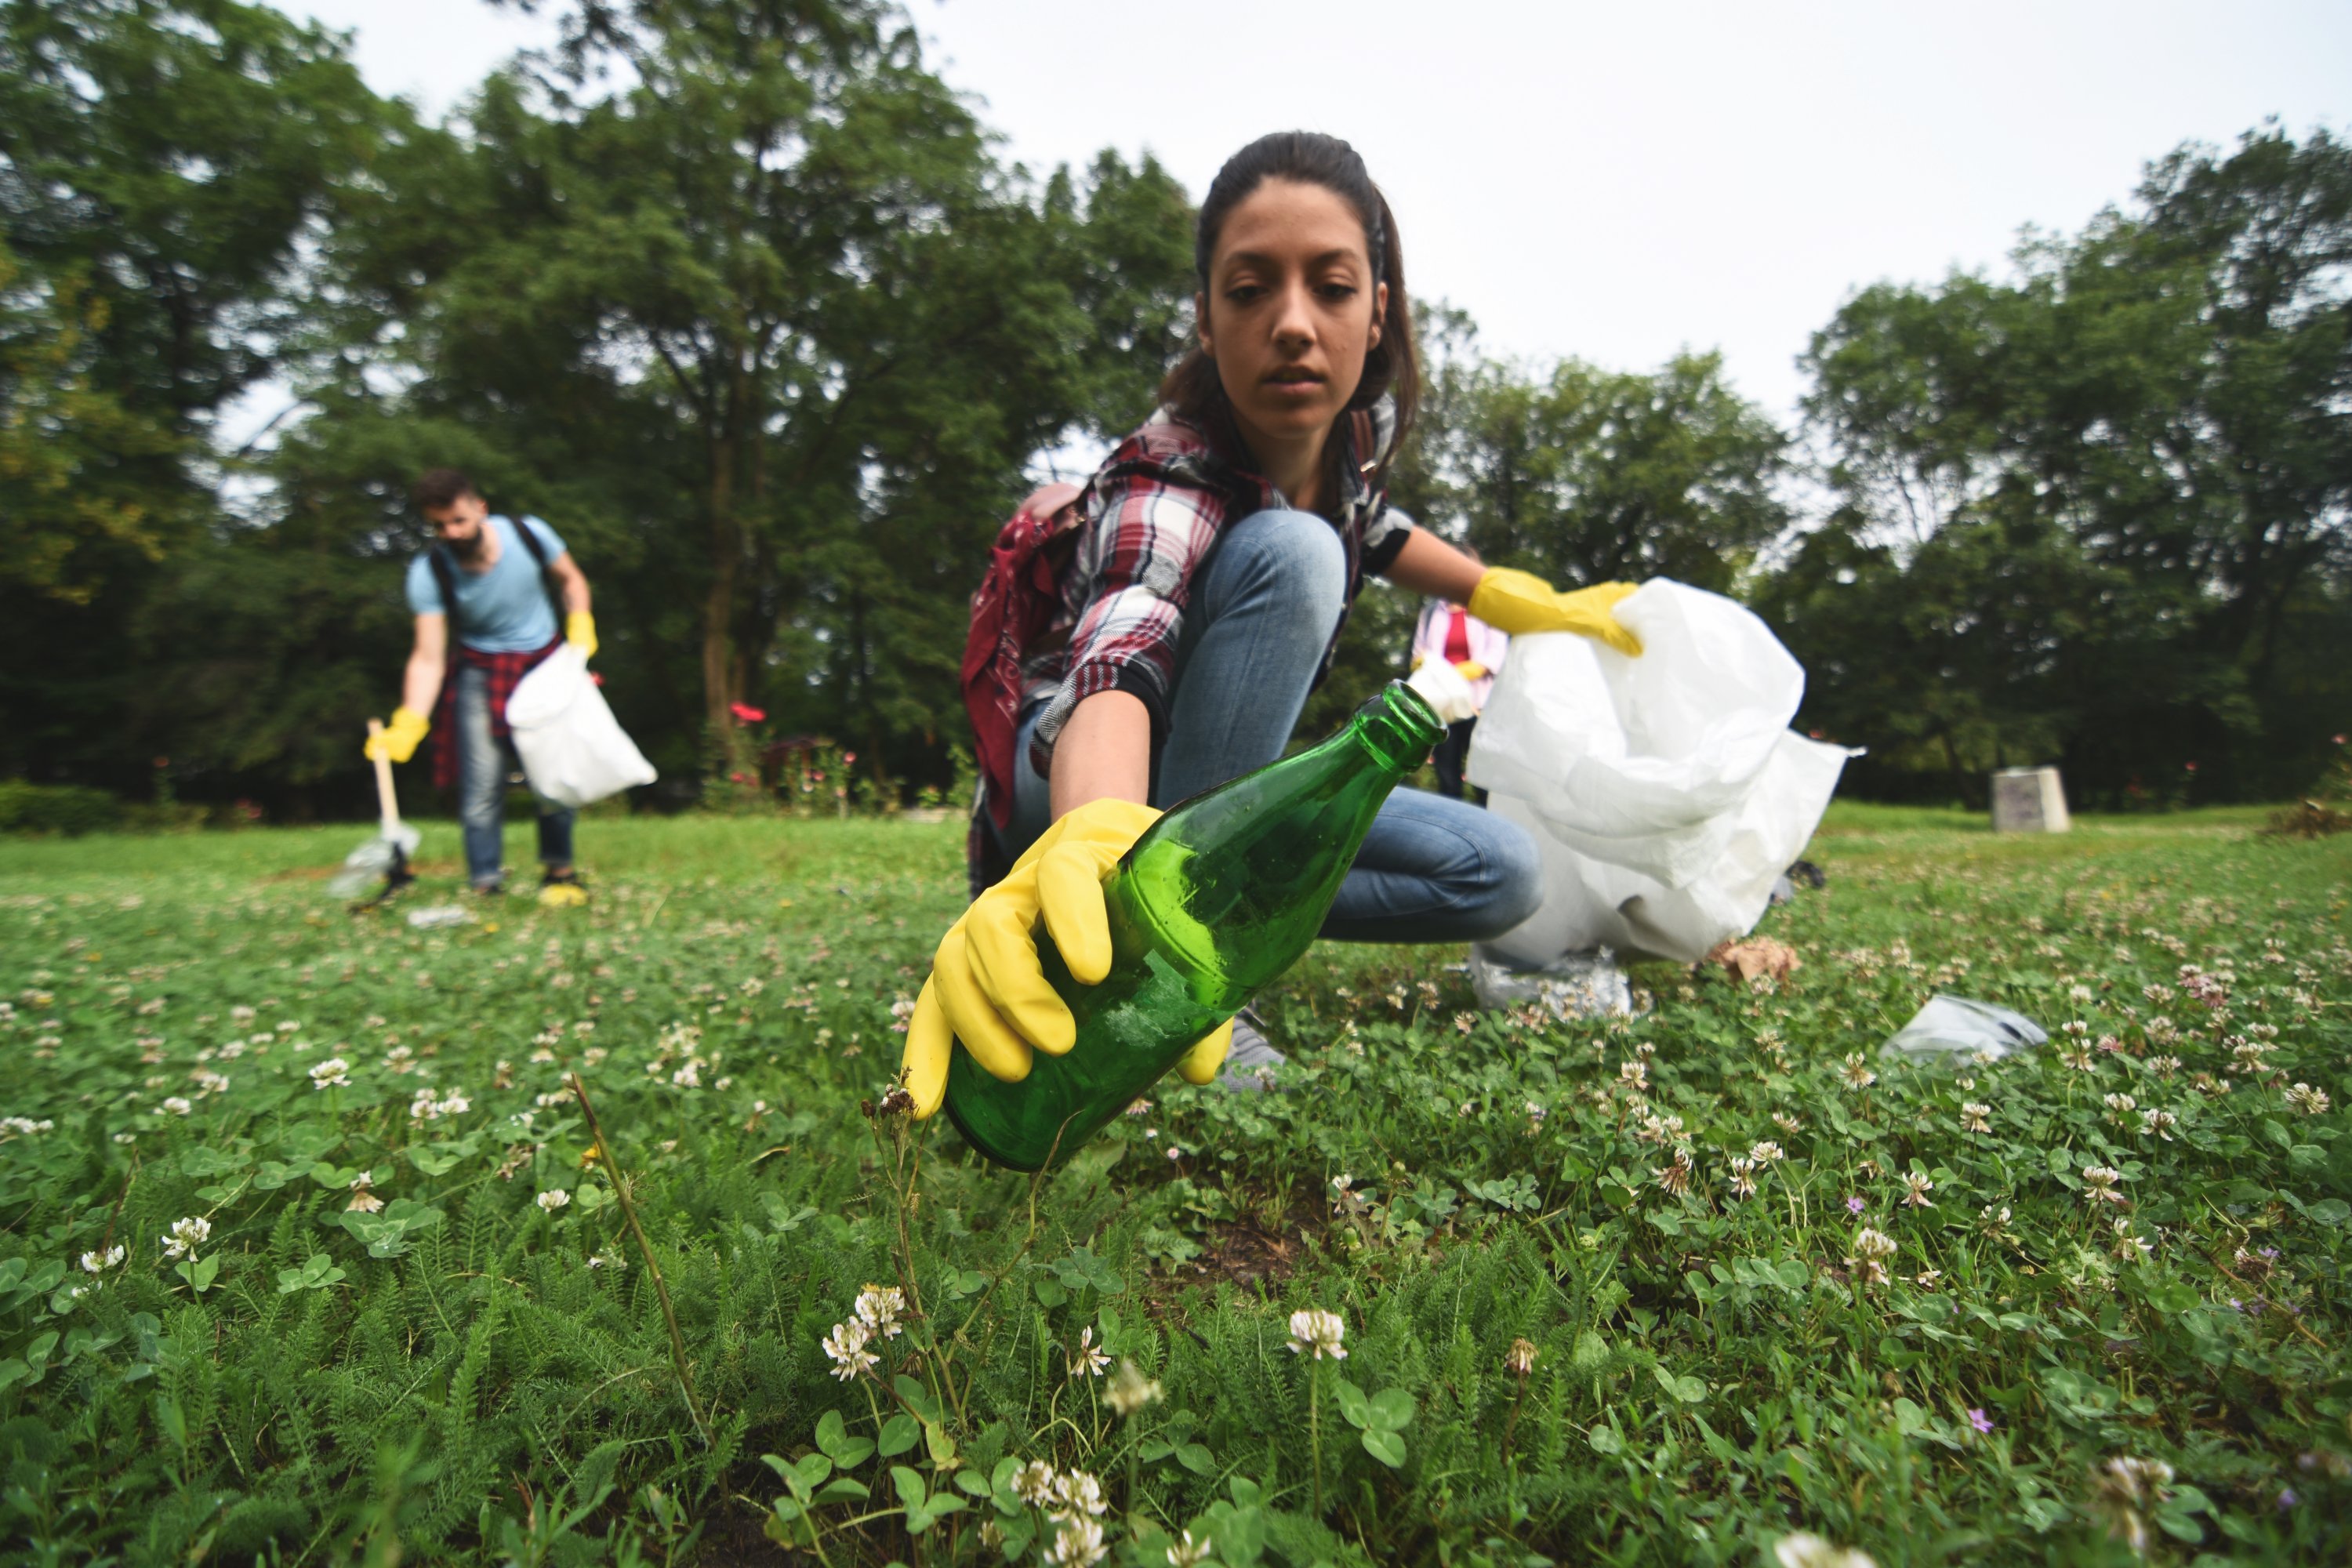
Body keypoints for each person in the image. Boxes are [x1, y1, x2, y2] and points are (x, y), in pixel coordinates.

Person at [902, 131, 1642, 1117]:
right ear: (1207, 320)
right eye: (1249, 290)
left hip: (1204, 799)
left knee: (1500, 870)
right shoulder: (1165, 468)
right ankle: (1155, 948)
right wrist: (1095, 833)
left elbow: (1379, 529)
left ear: (1378, 310)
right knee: (1295, 552)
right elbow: (1119, 644)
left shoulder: (1353, 444)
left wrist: (1503, 594)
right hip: (1071, 775)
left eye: (1331, 287)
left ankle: (1218, 914)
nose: (1293, 323)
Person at [365, 468, 599, 904]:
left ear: (480, 509)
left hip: (545, 664)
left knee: (553, 776)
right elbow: (428, 656)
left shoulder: (530, 534)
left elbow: (572, 580)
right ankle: (486, 883)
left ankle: (560, 874)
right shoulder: (430, 571)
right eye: (439, 526)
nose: (450, 532)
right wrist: (411, 719)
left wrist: (580, 624)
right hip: (480, 671)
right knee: (481, 785)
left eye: (458, 520)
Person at [1409, 547, 1508, 804]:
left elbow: (1494, 657)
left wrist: (1450, 673)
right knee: (1447, 778)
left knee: (1484, 780)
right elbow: (1419, 654)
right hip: (1444, 708)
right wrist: (1425, 666)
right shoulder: (1431, 613)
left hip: (1478, 707)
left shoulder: (1490, 611)